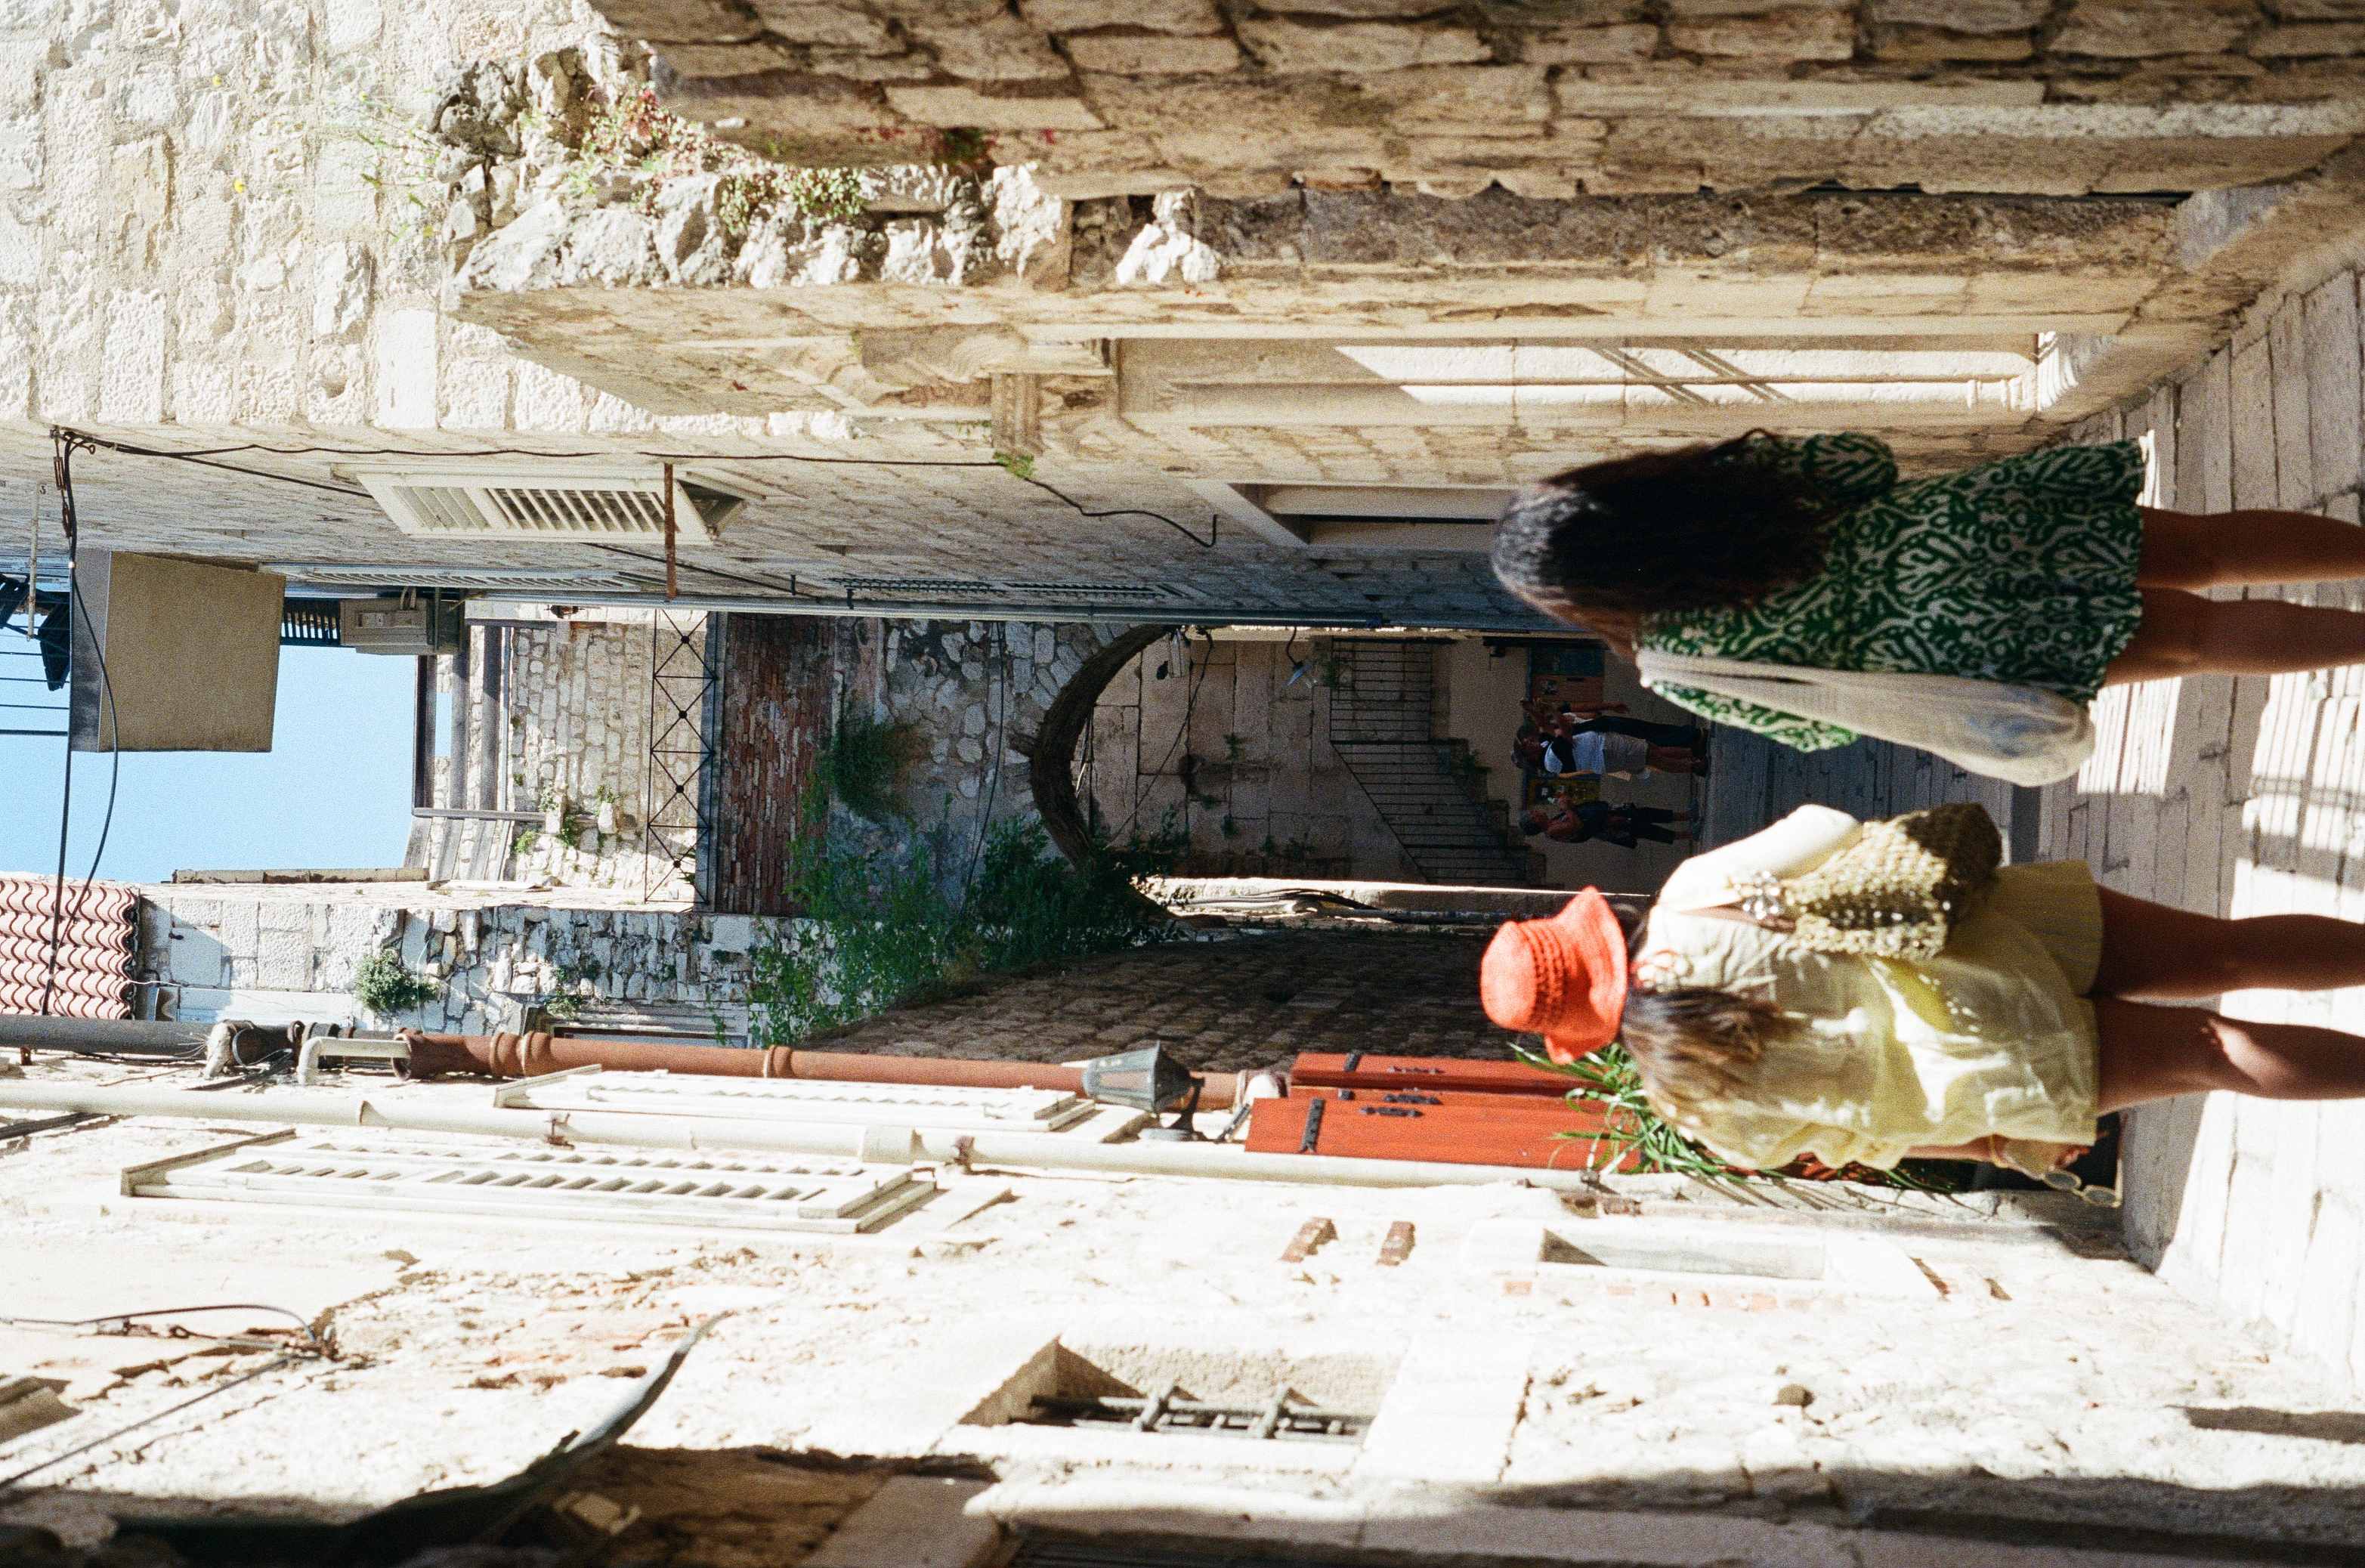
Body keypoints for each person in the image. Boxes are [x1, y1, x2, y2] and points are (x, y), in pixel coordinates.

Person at [1477, 803, 2365, 1178]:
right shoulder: (1690, 900)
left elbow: (1865, 1134)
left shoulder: (1692, 1106)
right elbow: (1829, 825)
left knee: (2208, 1052)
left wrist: (1996, 1145)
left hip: (1987, 1064)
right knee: (2223, 952)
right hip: (1990, 931)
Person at [1489, 431, 2365, 753]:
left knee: (2201, 641)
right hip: (1964, 527)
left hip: (1967, 642)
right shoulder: (1716, 485)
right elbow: (1863, 462)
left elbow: (1817, 726)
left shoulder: (1675, 664)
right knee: (2211, 545)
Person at [1515, 728, 1703, 779]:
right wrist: (1554, 711)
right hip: (1606, 753)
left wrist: (1535, 710)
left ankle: (1693, 752)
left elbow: (1544, 728)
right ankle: (1694, 767)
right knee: (1653, 758)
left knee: (1652, 748)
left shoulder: (1546, 745)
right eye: (1527, 745)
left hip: (1607, 745)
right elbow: (1565, 729)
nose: (1531, 742)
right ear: (1530, 756)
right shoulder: (1551, 758)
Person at [1521, 799, 1693, 846]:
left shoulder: (1553, 821)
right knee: (1646, 830)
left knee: (1645, 814)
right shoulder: (1552, 831)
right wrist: (1567, 809)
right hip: (1609, 825)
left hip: (1608, 815)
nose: (1536, 811)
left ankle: (1686, 816)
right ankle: (1689, 834)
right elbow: (1577, 826)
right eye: (1533, 814)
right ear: (1534, 822)